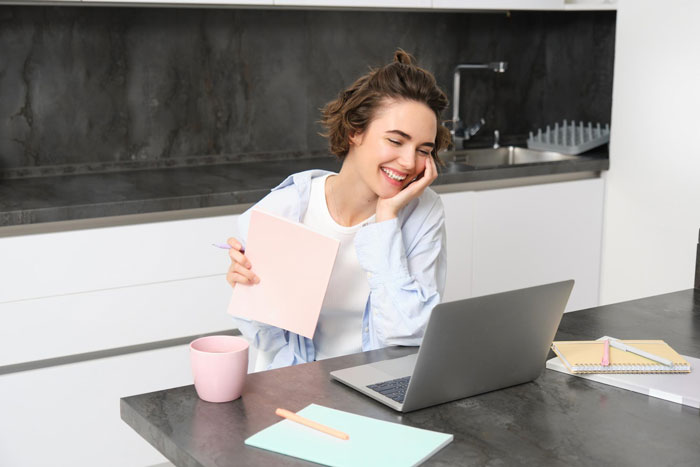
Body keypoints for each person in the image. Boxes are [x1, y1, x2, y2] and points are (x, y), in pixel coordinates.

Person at [226, 49, 451, 370]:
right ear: (354, 131)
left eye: (422, 150)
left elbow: (410, 335)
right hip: (298, 380)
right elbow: (266, 340)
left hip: (381, 382)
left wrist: (386, 220)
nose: (408, 162)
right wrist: (249, 294)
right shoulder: (286, 209)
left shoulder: (422, 213)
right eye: (396, 140)